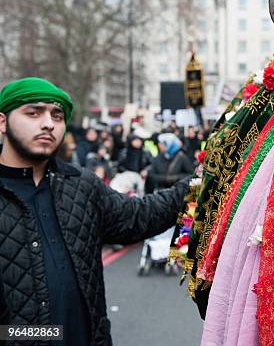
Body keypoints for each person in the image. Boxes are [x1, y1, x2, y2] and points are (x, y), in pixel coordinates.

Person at [0, 77, 188, 345]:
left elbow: (139, 217)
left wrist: (199, 182)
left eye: (57, 115)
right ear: (2, 122)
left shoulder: (81, 184)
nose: (48, 123)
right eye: (33, 113)